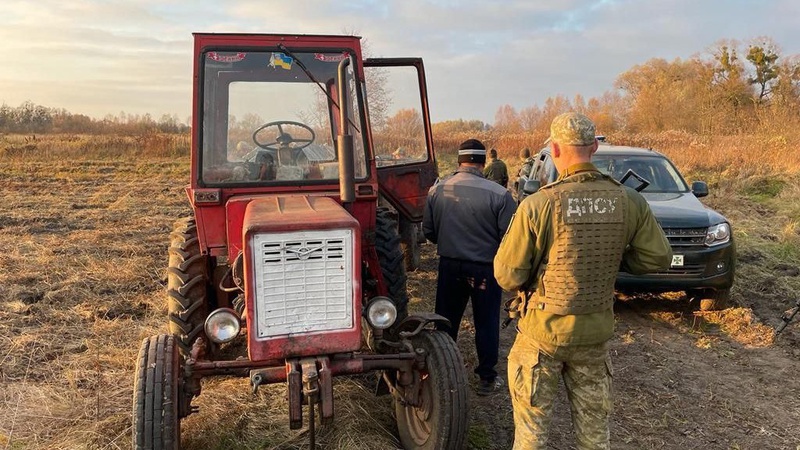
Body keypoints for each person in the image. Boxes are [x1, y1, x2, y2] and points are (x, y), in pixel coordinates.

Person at [494, 112, 672, 449]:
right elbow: (657, 256)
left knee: (531, 436)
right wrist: (615, 259)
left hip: (542, 335)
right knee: (594, 438)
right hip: (594, 334)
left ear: (555, 149)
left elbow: (507, 274)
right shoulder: (629, 200)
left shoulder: (540, 204)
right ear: (593, 147)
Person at [423, 138, 517, 396]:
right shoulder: (500, 195)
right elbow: (509, 238)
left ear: (459, 160)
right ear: (484, 162)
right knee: (486, 323)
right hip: (486, 270)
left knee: (445, 320)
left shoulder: (438, 190)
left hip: (450, 266)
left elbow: (428, 231)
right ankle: (486, 378)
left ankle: (440, 374)